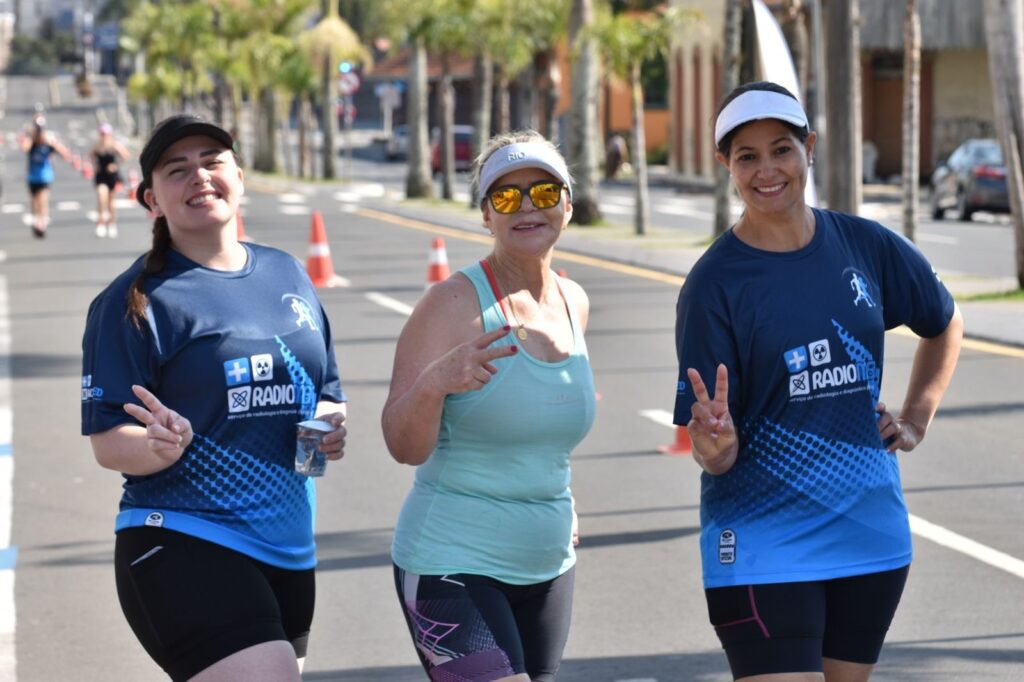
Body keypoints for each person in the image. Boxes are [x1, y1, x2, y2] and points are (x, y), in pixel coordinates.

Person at [673, 81, 963, 682]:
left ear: (809, 147)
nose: (767, 170)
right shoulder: (714, 285)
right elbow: (712, 453)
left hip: (869, 532)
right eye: (747, 156)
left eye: (781, 149)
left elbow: (944, 320)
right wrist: (716, 443)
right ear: (726, 164)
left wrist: (915, 419)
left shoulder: (865, 245)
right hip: (760, 541)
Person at [81, 114, 347, 682]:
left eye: (212, 161)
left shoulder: (288, 273)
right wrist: (158, 447)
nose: (199, 176)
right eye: (178, 170)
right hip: (183, 536)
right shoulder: (134, 301)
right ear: (152, 199)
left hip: (288, 546)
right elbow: (109, 440)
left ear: (240, 177)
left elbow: (322, 393)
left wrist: (324, 434)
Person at [382, 130, 595, 682]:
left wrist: (562, 501)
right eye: (506, 196)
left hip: (548, 566)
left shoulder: (574, 302)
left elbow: (546, 434)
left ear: (567, 205)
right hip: (450, 561)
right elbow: (403, 446)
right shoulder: (451, 304)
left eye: (544, 192)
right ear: (485, 215)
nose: (526, 206)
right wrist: (435, 383)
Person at [19, 115, 70, 238]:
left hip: (44, 176)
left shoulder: (48, 142)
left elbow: (65, 154)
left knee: (43, 199)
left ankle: (42, 222)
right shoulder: (31, 142)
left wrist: (53, 143)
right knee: (34, 201)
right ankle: (37, 220)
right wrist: (31, 138)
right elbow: (24, 149)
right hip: (32, 176)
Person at [90, 122, 132, 238]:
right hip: (101, 175)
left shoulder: (114, 145)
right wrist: (95, 166)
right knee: (101, 196)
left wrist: (116, 165)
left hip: (112, 176)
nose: (104, 136)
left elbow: (126, 156)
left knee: (111, 201)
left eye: (106, 134)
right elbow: (91, 155)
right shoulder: (97, 146)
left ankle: (112, 223)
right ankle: (101, 223)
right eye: (102, 134)